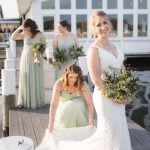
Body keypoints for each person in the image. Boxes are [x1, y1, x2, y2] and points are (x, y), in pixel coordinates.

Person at [36, 11, 132, 150]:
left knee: (120, 130)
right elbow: (97, 81)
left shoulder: (115, 47)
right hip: (107, 98)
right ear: (94, 28)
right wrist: (117, 98)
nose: (103, 27)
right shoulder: (94, 49)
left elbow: (123, 70)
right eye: (98, 24)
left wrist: (127, 90)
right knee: (110, 133)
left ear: (110, 24)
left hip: (119, 97)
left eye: (105, 22)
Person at [11, 18, 46, 109]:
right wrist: (19, 28)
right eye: (25, 28)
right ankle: (24, 101)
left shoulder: (40, 34)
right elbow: (13, 37)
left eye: (27, 27)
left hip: (36, 59)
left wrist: (39, 52)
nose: (25, 29)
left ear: (32, 26)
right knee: (26, 79)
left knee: (35, 78)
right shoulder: (24, 34)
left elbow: (44, 46)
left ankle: (35, 101)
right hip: (25, 59)